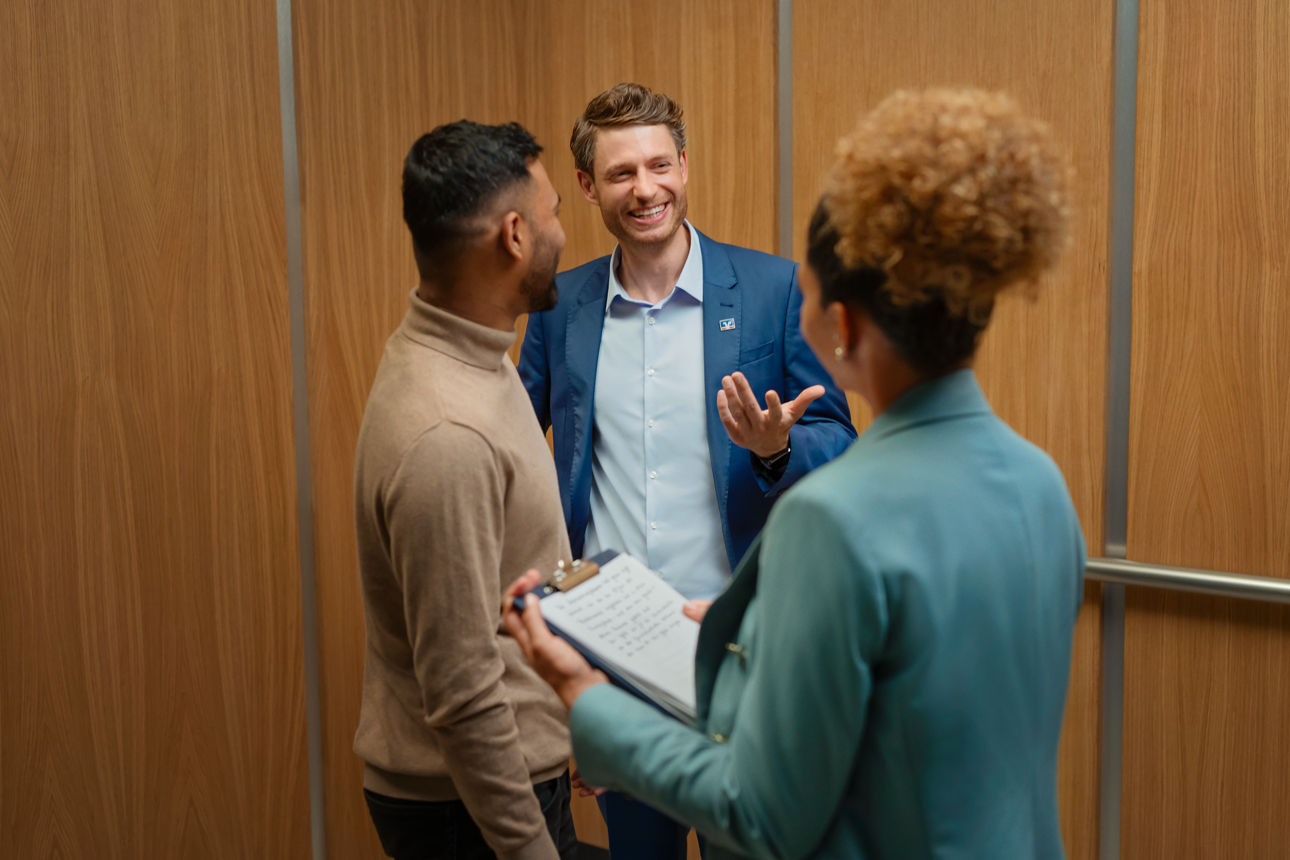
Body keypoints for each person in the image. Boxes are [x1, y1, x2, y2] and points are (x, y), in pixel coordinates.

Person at [505, 88, 1087, 859]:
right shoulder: (1041, 483)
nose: (644, 187)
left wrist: (583, 702)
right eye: (621, 172)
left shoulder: (832, 520)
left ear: (839, 325)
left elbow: (765, 811)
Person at [516, 83, 855, 857]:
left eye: (659, 165)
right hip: (617, 656)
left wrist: (775, 447)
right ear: (587, 186)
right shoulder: (559, 306)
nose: (645, 190)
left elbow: (842, 442)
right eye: (622, 173)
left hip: (743, 652)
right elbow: (514, 452)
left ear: (685, 167)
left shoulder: (774, 291)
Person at [352, 120, 576, 860]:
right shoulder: (447, 434)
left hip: (503, 779)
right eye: (552, 215)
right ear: (513, 235)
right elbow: (462, 692)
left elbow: (517, 575)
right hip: (470, 812)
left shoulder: (472, 348)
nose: (560, 234)